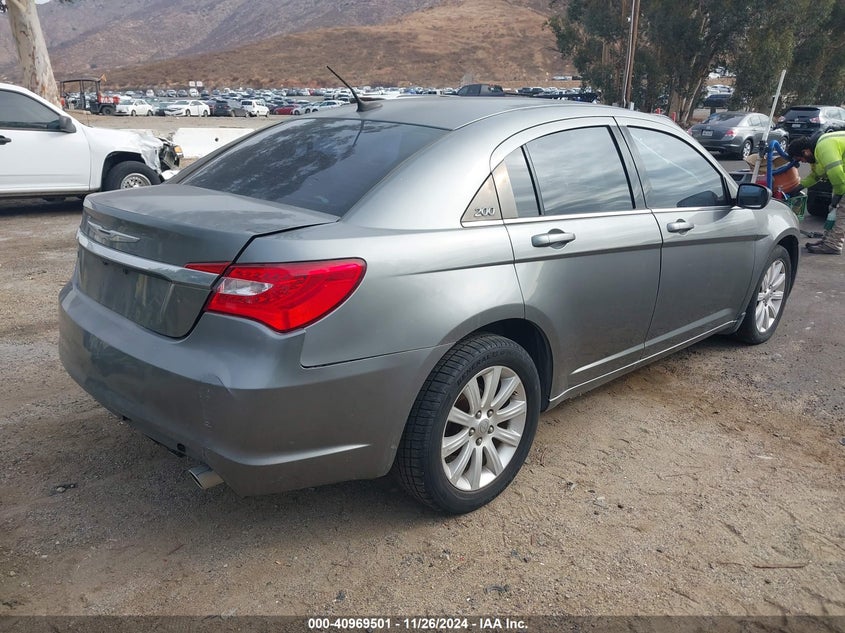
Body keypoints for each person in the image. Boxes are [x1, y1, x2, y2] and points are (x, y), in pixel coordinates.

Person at [788, 132, 845, 254]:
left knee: (841, 210)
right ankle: (828, 241)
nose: (803, 162)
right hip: (842, 179)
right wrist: (800, 186)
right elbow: (816, 175)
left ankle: (833, 245)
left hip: (841, 178)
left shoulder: (824, 147)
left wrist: (838, 195)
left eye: (800, 159)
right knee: (833, 210)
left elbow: (836, 174)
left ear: (805, 151)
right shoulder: (816, 152)